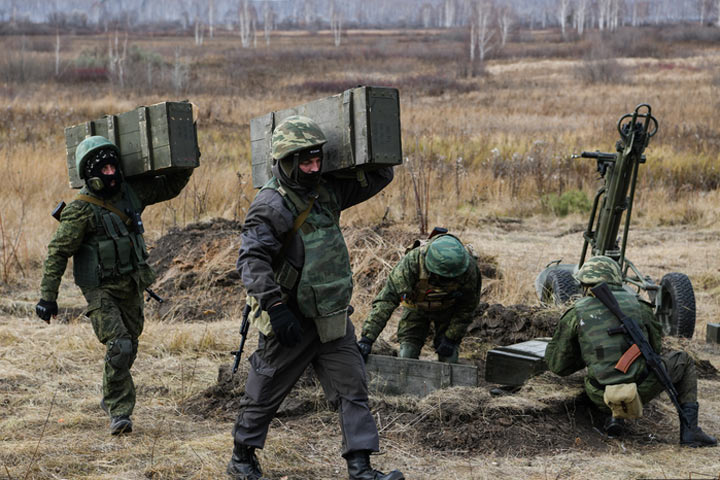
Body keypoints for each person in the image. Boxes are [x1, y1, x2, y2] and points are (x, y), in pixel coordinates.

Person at [230, 115, 404, 480]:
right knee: (265, 390)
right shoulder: (271, 205)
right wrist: (275, 308)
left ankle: (361, 467)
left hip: (331, 314)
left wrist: (371, 149)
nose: (313, 168)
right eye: (305, 162)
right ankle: (242, 457)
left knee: (351, 387)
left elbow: (381, 176)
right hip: (290, 318)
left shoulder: (326, 191)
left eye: (317, 160)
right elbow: (251, 260)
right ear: (287, 163)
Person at [35, 135, 193, 435]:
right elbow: (57, 252)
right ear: (90, 173)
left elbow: (170, 186)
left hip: (131, 284)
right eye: (103, 170)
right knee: (119, 345)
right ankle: (120, 411)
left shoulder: (130, 193)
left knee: (129, 346)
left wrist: (187, 155)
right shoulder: (81, 210)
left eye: (113, 168)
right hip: (100, 289)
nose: (110, 175)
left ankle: (110, 395)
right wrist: (48, 298)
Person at [545, 256, 716, 447]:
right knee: (682, 360)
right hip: (639, 391)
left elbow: (557, 366)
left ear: (584, 283)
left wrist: (588, 355)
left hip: (599, 394)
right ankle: (690, 430)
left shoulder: (575, 312)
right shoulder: (641, 307)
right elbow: (655, 348)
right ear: (616, 278)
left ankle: (614, 417)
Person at [358, 234, 481, 363]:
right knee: (407, 354)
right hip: (416, 307)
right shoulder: (412, 262)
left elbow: (467, 308)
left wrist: (451, 338)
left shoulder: (469, 270)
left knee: (449, 358)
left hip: (449, 310)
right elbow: (386, 300)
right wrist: (367, 338)